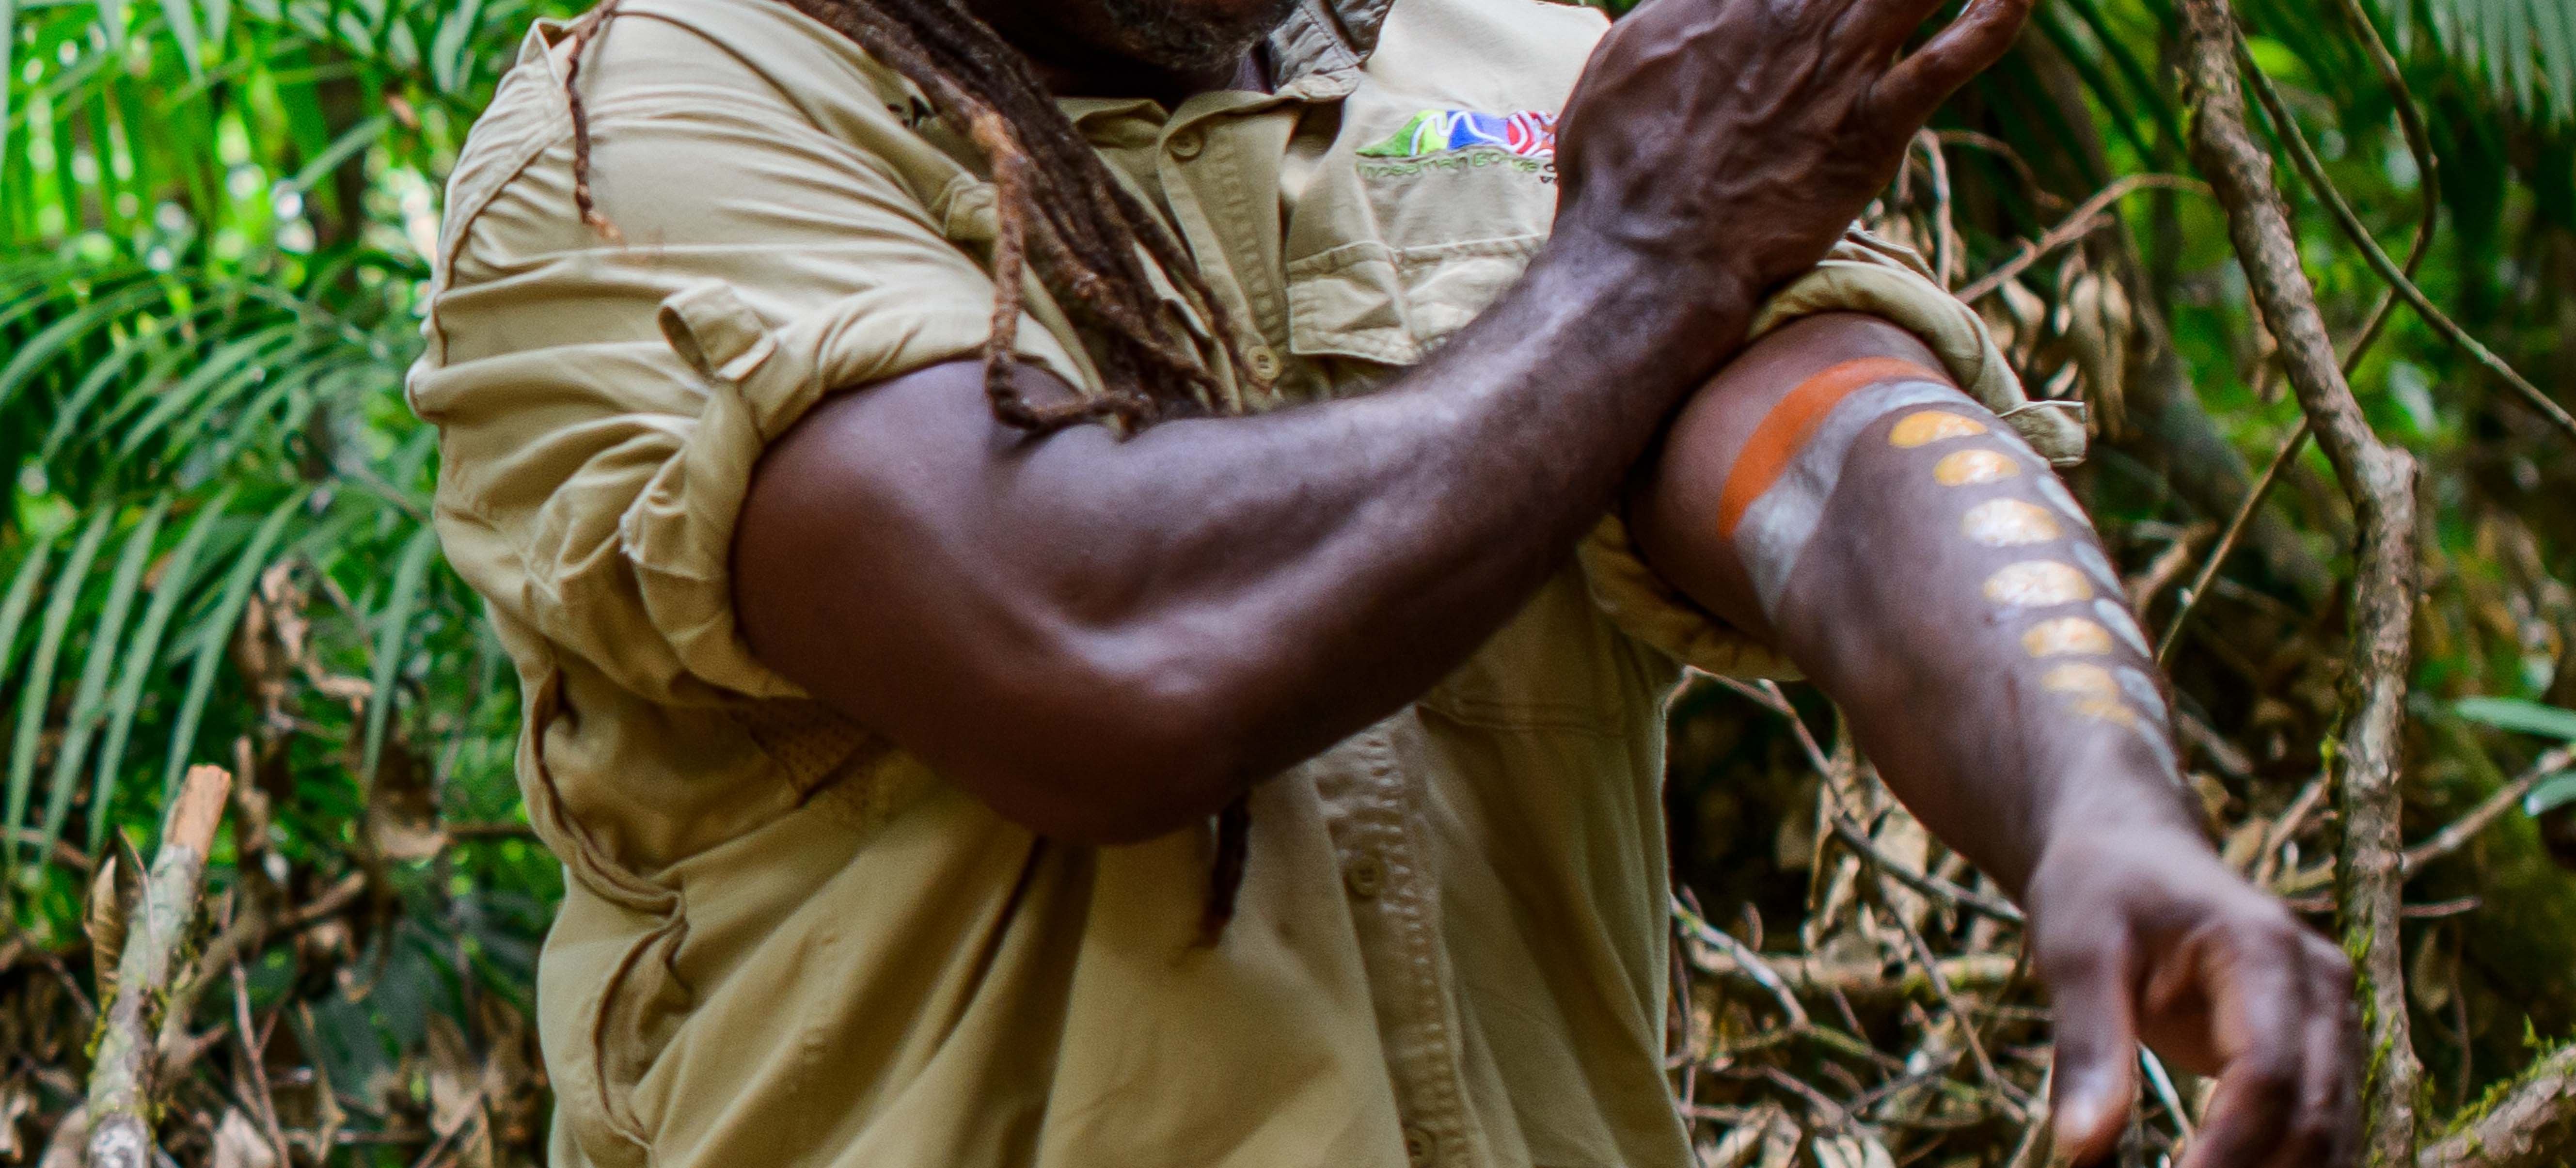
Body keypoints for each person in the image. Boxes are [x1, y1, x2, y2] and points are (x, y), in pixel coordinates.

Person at [405, 0, 2359, 1163]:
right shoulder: (655, 130)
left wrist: (2101, 807)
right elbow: (1096, 649)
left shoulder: (1504, 68)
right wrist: (1644, 261)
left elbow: (1829, 456)